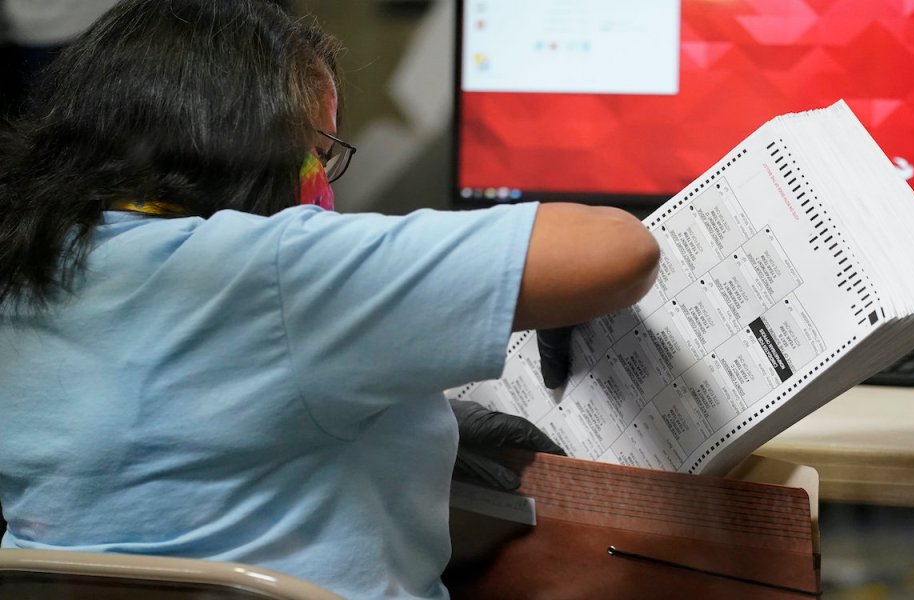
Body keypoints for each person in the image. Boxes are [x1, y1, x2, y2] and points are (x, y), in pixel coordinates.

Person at [0, 1, 660, 599]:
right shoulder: (278, 268)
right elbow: (615, 250)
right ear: (251, 141)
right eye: (321, 149)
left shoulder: (26, 270)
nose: (324, 178)